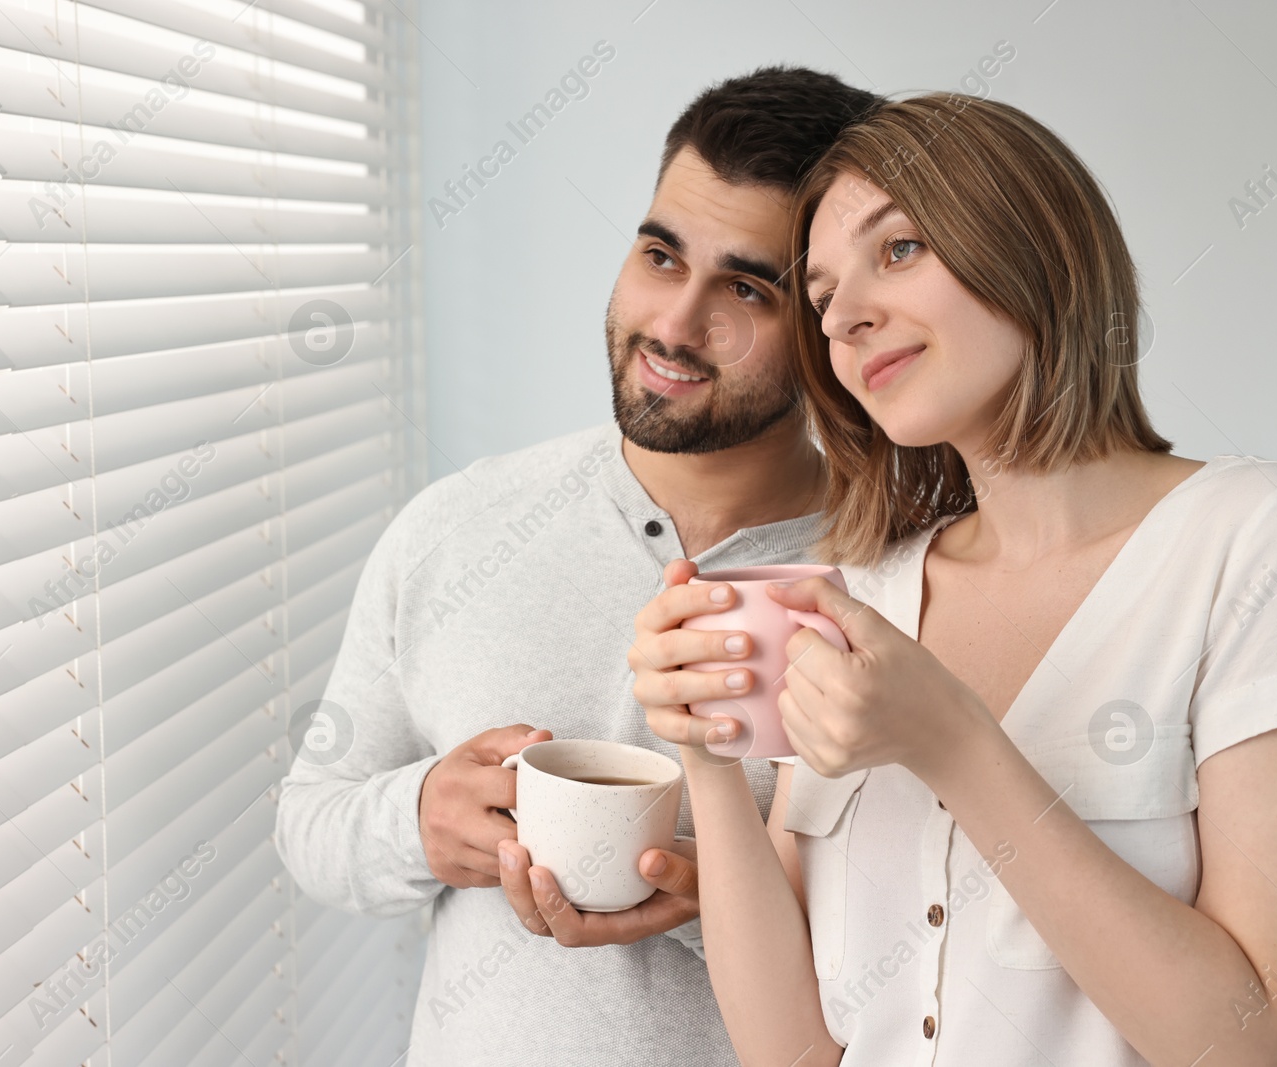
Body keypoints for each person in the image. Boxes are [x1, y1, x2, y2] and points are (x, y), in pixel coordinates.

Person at [631, 92, 1277, 1066]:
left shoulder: (1251, 540)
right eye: (823, 300)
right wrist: (703, 745)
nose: (850, 317)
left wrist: (954, 746)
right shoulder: (859, 594)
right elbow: (790, 1048)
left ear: (1032, 242)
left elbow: (1270, 1045)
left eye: (899, 249)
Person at [274, 68, 880, 1065]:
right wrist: (417, 818)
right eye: (659, 255)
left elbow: (941, 952)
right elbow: (312, 818)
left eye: (743, 287)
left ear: (827, 317)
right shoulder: (458, 525)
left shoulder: (896, 580)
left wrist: (712, 901)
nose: (675, 326)